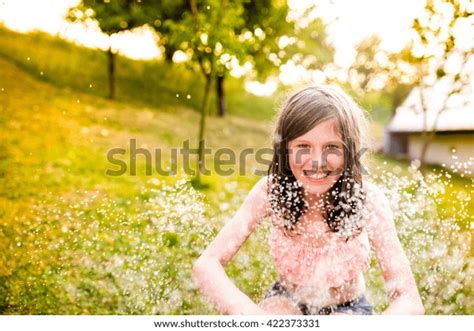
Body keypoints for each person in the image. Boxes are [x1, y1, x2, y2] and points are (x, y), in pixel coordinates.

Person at [192, 85, 425, 315]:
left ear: (350, 151)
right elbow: (206, 265)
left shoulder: (366, 200)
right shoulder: (271, 192)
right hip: (285, 300)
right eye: (303, 146)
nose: (317, 161)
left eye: (332, 147)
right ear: (285, 149)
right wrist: (246, 312)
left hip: (348, 308)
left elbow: (409, 300)